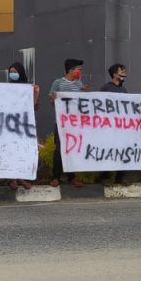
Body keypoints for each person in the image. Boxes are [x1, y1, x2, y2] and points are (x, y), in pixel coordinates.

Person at [49, 58, 89, 187]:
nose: (80, 72)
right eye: (79, 69)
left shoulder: (79, 83)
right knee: (59, 149)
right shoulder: (58, 83)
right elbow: (51, 102)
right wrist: (54, 98)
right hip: (61, 123)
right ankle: (56, 177)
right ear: (71, 70)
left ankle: (71, 177)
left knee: (72, 149)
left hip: (74, 123)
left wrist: (85, 93)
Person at [6, 61, 40, 190]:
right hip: (9, 124)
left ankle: (21, 177)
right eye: (11, 72)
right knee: (11, 151)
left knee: (22, 151)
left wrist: (36, 93)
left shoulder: (27, 88)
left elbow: (33, 107)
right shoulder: (6, 88)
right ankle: (13, 179)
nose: (12, 74)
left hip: (23, 125)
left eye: (15, 72)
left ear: (20, 72)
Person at [98, 63, 129, 184]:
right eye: (122, 71)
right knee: (108, 150)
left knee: (122, 150)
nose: (124, 74)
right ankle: (105, 176)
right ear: (115, 74)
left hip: (121, 127)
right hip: (108, 126)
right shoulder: (105, 88)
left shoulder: (124, 89)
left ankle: (121, 177)